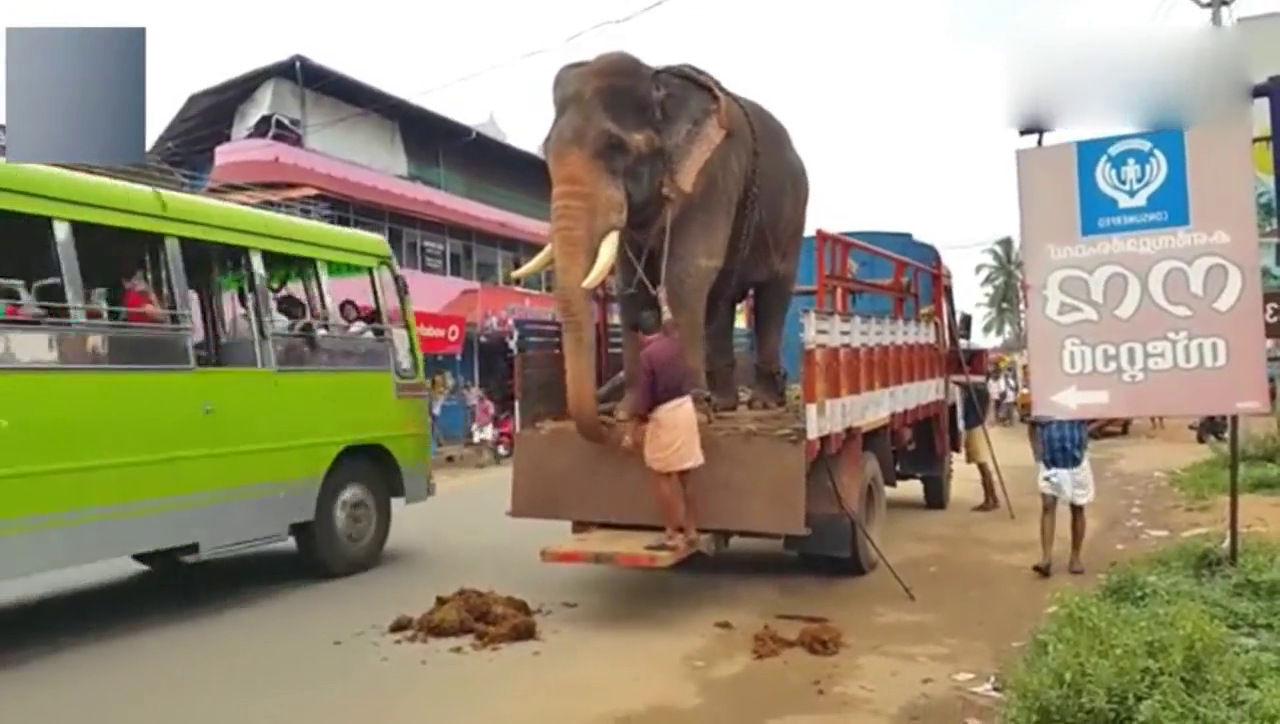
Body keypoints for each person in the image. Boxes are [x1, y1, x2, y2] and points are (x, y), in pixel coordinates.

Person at [622, 308, 705, 552]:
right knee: (686, 475)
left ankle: (672, 533)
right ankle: (691, 530)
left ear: (640, 335)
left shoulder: (647, 356)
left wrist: (632, 429)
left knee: (662, 475)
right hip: (686, 410)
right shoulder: (676, 345)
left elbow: (644, 397)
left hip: (665, 416)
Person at [1030, 415, 1093, 578]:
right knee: (1047, 505)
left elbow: (1097, 415)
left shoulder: (1078, 404)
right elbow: (1032, 424)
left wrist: (1085, 439)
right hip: (1050, 462)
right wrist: (1037, 453)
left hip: (1077, 461)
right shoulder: (1044, 404)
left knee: (1077, 507)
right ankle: (1046, 559)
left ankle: (1075, 557)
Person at [961, 379, 1001, 512]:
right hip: (978, 425)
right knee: (983, 465)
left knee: (982, 465)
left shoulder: (977, 390)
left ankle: (989, 499)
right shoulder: (981, 390)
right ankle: (992, 498)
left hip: (975, 427)